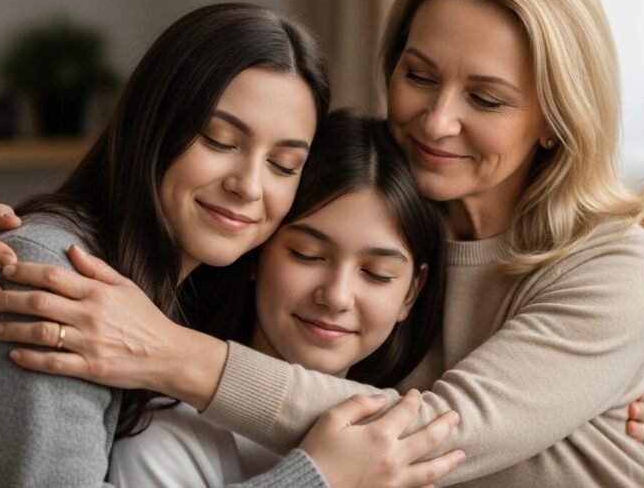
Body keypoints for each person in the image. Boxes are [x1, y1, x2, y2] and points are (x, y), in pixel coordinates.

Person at [0, 0, 644, 486]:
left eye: (487, 98)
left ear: (557, 116)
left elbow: (432, 434)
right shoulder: (381, 205)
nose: (436, 122)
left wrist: (167, 348)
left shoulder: (612, 262)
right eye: (418, 74)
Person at [0, 4, 461, 488]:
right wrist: (317, 479)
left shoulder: (182, 295)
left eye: (283, 163)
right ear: (153, 126)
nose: (248, 187)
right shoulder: (47, 274)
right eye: (219, 140)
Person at [109, 113, 449, 486]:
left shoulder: (409, 446)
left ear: (412, 292)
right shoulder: (165, 437)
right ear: (256, 253)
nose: (336, 296)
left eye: (376, 274)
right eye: (307, 254)